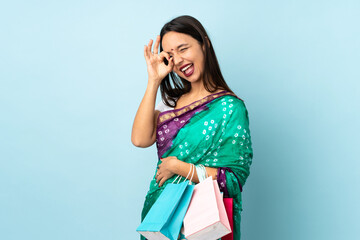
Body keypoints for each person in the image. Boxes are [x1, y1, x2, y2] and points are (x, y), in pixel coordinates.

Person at [131, 15, 253, 240]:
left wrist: (179, 167)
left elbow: (233, 180)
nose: (177, 60)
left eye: (183, 49)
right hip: (163, 215)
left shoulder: (230, 108)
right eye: (170, 55)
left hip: (204, 222)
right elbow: (140, 139)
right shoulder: (171, 103)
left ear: (204, 44)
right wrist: (153, 81)